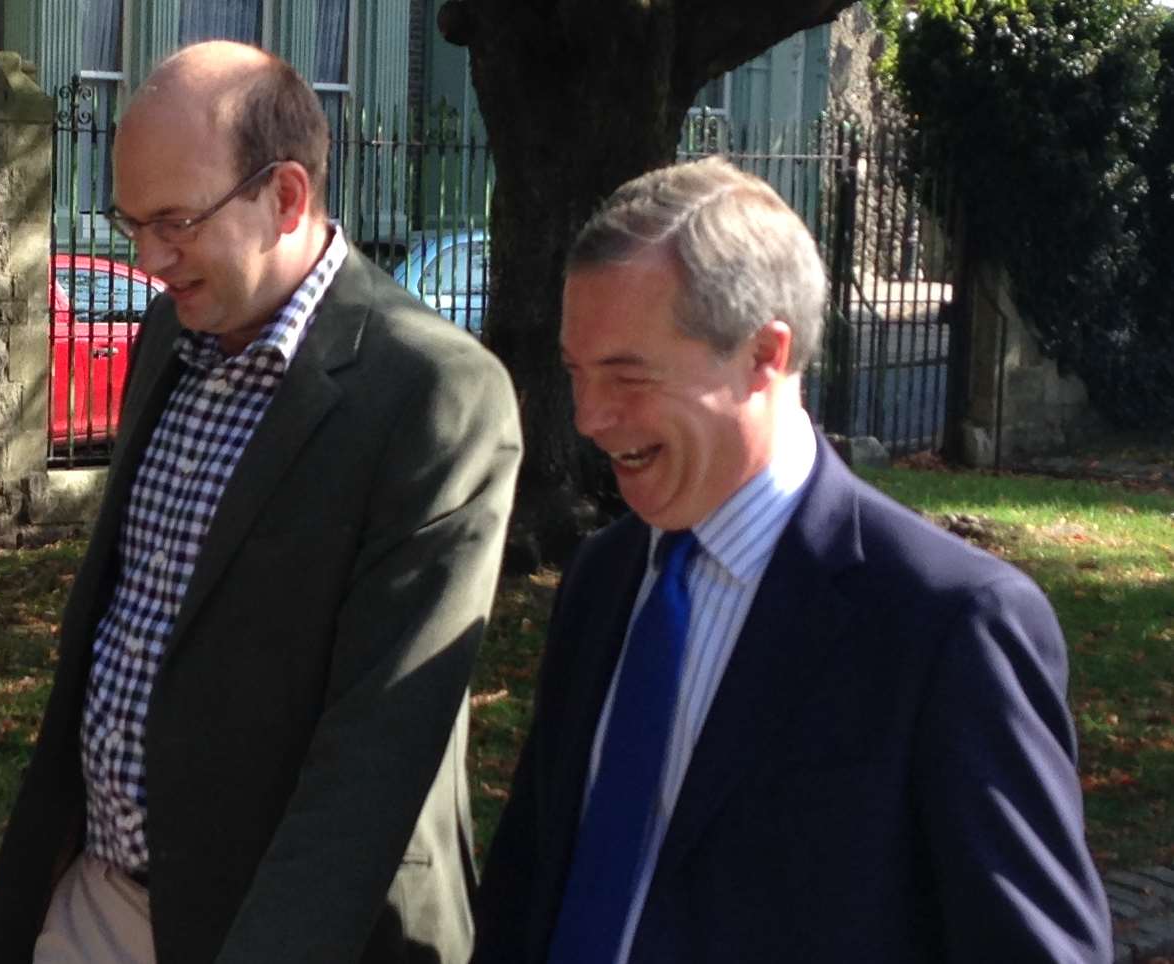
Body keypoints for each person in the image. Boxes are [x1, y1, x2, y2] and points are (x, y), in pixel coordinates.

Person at [471, 156, 1111, 963]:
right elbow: (533, 884)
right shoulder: (603, 579)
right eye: (575, 373)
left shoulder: (945, 624)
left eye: (627, 375)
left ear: (762, 356)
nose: (591, 416)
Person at [0, 41, 521, 964]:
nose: (148, 257)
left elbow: (374, 753)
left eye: (177, 221)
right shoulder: (172, 332)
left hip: (278, 926)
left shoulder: (433, 394)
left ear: (288, 198)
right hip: (98, 899)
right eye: (131, 222)